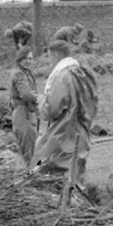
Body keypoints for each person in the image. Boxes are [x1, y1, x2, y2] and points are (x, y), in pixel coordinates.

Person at [31, 40, 98, 182]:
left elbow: (52, 109)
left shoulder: (62, 76)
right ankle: (78, 200)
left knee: (46, 164)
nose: (49, 62)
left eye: (49, 57)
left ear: (55, 55)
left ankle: (57, 199)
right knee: (77, 170)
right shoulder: (84, 73)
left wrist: (41, 101)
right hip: (82, 129)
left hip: (64, 132)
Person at [9, 46, 38, 165]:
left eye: (31, 58)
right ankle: (30, 175)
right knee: (28, 145)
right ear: (19, 59)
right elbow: (26, 94)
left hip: (25, 111)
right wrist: (40, 97)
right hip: (23, 112)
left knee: (30, 144)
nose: (29, 61)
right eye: (26, 58)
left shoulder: (23, 72)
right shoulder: (19, 74)